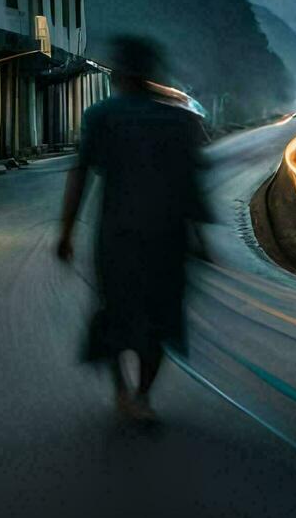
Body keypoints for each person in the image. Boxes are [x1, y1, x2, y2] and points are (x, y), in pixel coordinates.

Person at [56, 36, 209, 423]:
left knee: (115, 314)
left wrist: (66, 233)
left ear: (120, 73)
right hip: (168, 238)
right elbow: (191, 184)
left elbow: (80, 176)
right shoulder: (180, 121)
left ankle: (123, 392)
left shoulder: (102, 116)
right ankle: (141, 395)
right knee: (159, 320)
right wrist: (201, 239)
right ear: (152, 74)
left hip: (118, 236)